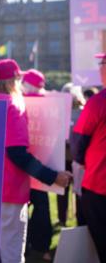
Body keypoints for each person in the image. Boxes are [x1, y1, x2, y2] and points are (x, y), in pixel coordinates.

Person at [0, 59, 71, 263]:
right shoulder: (13, 105)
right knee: (11, 252)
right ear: (13, 81)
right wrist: (53, 176)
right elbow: (17, 153)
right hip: (8, 191)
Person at [71, 53, 106, 262]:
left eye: (101, 63)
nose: (99, 68)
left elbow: (78, 143)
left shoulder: (98, 102)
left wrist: (83, 161)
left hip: (99, 186)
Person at [20, 69, 53, 261]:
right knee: (42, 207)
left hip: (22, 165)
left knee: (20, 209)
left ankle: (25, 245)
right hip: (42, 165)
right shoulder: (50, 104)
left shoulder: (18, 101)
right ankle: (42, 247)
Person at [60, 82, 86, 227]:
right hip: (63, 158)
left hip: (78, 159)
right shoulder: (60, 112)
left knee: (78, 191)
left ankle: (79, 220)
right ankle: (62, 219)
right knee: (62, 190)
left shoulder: (83, 111)